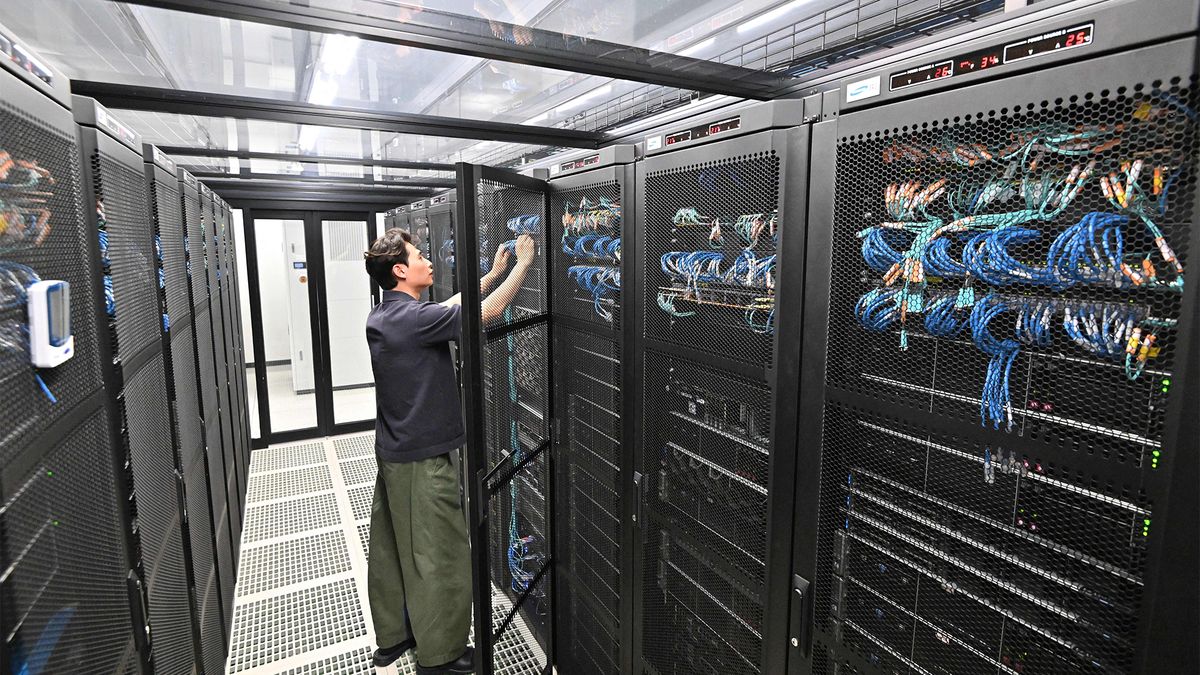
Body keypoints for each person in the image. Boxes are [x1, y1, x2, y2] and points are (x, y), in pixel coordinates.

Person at [362, 227, 536, 674]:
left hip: (395, 454)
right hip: (424, 460)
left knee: (393, 548)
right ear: (401, 269)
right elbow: (489, 312)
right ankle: (442, 656)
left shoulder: (387, 315)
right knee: (440, 553)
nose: (429, 260)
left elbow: (450, 307)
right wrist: (523, 264)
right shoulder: (417, 321)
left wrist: (492, 271)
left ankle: (395, 637)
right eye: (420, 256)